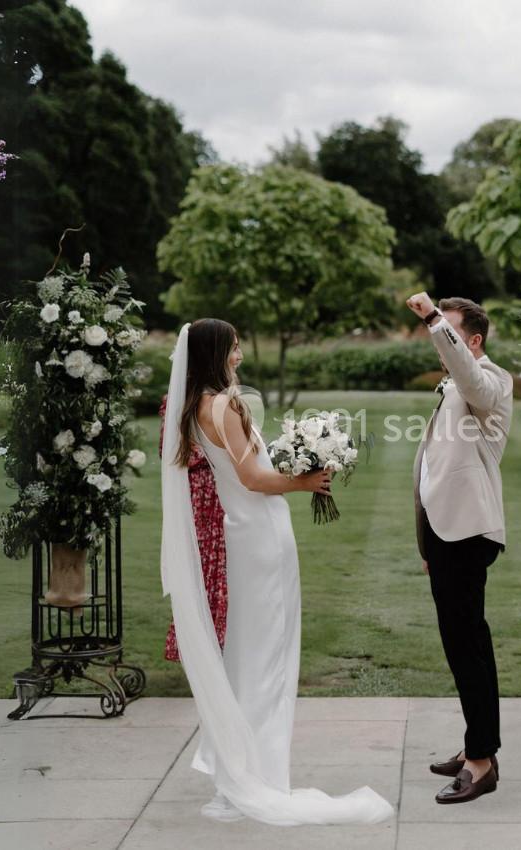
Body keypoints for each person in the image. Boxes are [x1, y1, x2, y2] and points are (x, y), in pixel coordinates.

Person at [158, 318, 396, 826]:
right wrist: (305, 480)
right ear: (217, 351)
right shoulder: (223, 405)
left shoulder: (197, 407)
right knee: (267, 659)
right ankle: (258, 778)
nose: (240, 354)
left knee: (249, 654)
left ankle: (239, 769)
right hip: (259, 538)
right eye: (235, 346)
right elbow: (253, 477)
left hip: (241, 536)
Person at [406, 293, 514, 805]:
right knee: (460, 644)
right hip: (445, 532)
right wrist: (427, 534)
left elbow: (469, 378)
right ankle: (476, 743)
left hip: (468, 534)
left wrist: (431, 318)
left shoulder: (489, 381)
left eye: (447, 331)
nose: (437, 341)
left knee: (468, 645)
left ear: (474, 340)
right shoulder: (459, 381)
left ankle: (481, 762)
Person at [157, 393, 227, 663]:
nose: (239, 356)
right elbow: (170, 450)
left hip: (220, 492)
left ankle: (219, 643)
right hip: (201, 495)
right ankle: (203, 646)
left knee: (219, 569)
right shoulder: (178, 400)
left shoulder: (223, 398)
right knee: (204, 568)